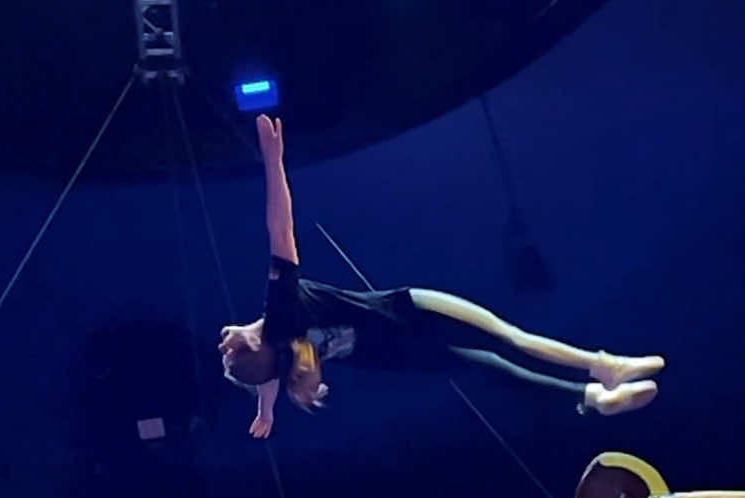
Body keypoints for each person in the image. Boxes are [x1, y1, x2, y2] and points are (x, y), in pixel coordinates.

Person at [220, 116, 665, 439]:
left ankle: (592, 398)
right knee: (510, 338)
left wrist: (269, 415)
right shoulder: (279, 316)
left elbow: (270, 378)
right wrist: (274, 161)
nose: (223, 341)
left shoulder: (281, 354)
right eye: (228, 349)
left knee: (492, 366)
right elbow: (280, 228)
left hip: (400, 355)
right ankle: (604, 367)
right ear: (252, 342)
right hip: (409, 309)